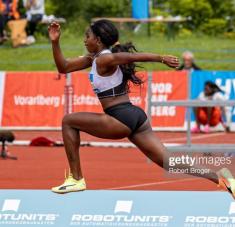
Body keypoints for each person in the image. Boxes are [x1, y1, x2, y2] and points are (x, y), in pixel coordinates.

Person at [48, 19, 235, 198]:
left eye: (87, 36)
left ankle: (76, 178)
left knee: (69, 121)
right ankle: (221, 177)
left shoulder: (104, 60)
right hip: (135, 116)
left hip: (119, 118)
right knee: (169, 161)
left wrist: (161, 58)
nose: (84, 40)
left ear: (97, 40)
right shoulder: (93, 59)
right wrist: (55, 42)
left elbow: (129, 56)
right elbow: (63, 67)